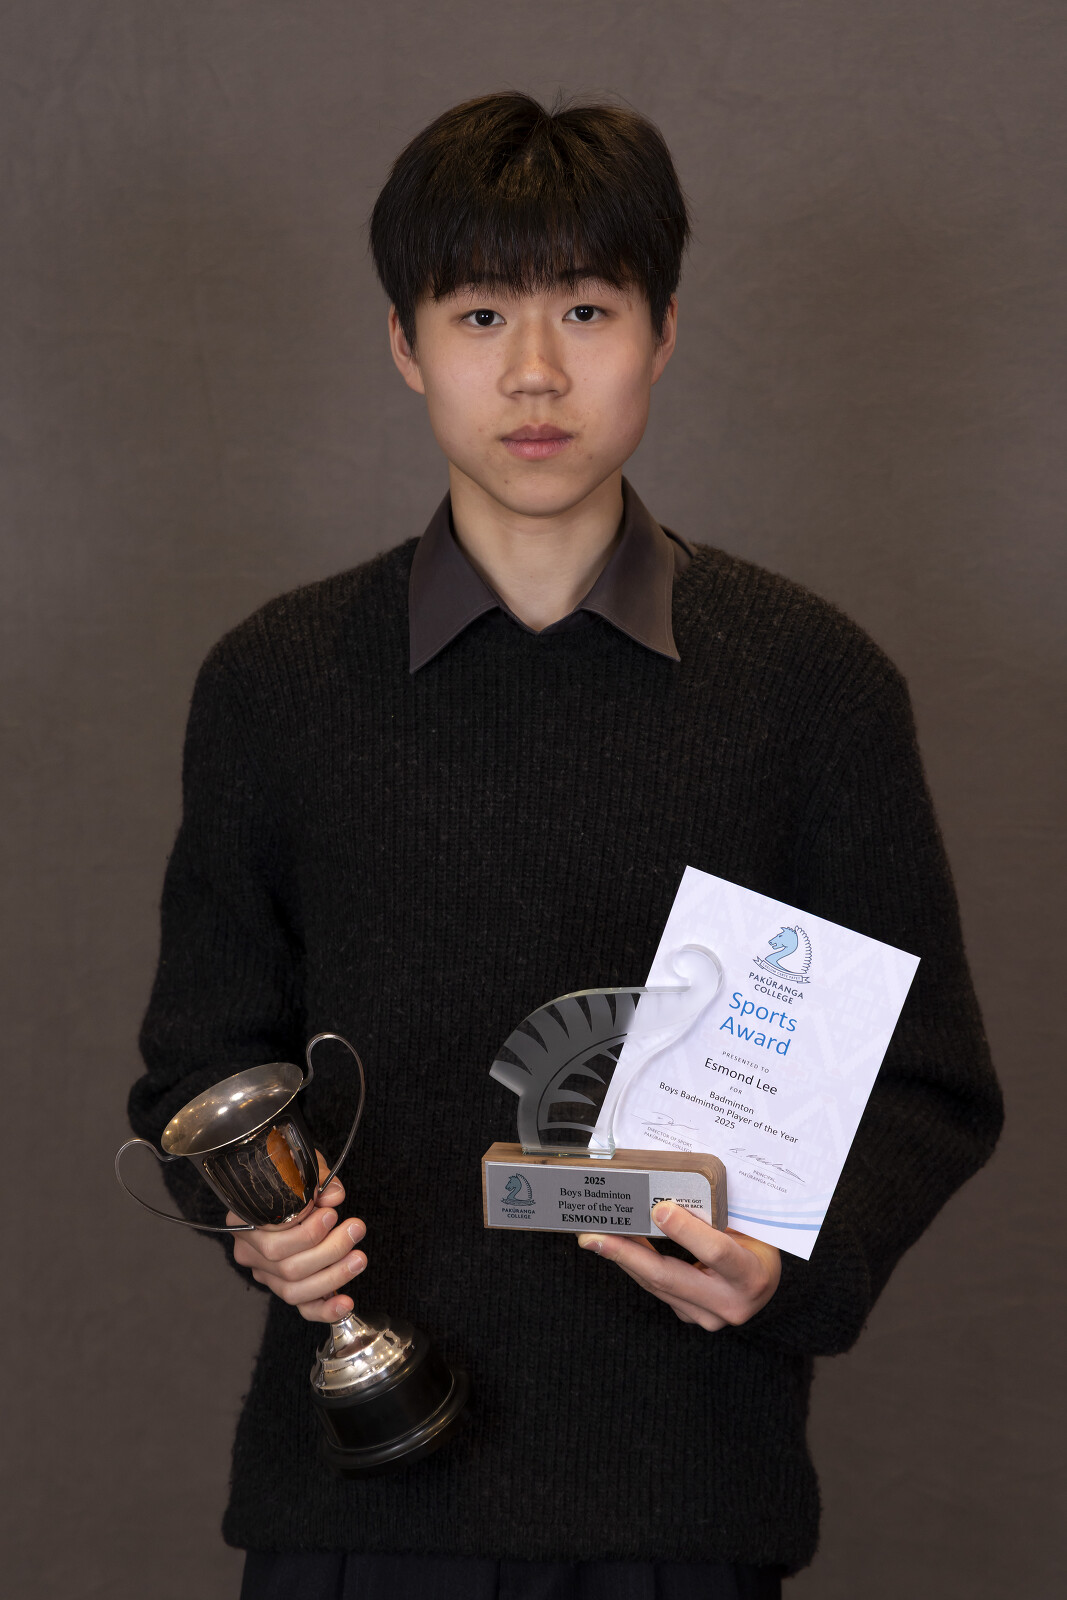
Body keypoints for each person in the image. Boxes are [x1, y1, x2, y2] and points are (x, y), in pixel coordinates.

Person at [128, 93, 1003, 1600]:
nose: (535, 372)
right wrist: (253, 1227)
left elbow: (925, 1079)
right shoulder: (275, 684)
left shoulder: (810, 686)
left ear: (662, 333)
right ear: (405, 343)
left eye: (587, 310)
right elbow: (196, 1067)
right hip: (360, 1494)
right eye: (480, 315)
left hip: (686, 1494)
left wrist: (791, 1265)